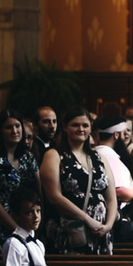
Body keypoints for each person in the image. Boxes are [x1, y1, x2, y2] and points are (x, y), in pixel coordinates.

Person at [41, 108, 115, 255]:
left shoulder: (99, 158)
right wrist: (87, 220)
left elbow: (111, 198)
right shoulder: (54, 155)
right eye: (75, 125)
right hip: (70, 230)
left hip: (99, 231)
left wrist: (108, 225)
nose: (81, 129)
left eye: (85, 125)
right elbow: (54, 197)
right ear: (65, 127)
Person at [0, 109, 41, 254]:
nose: (15, 131)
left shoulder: (28, 157)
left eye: (17, 126)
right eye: (9, 127)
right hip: (0, 227)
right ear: (0, 131)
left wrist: (36, 224)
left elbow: (39, 192)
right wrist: (16, 229)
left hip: (28, 224)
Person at [2, 187, 47, 266]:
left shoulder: (39, 244)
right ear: (15, 216)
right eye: (29, 212)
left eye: (38, 211)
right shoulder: (13, 244)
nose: (36, 217)